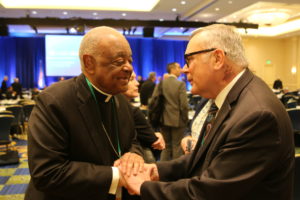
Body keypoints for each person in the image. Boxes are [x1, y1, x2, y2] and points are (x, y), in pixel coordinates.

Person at [122, 24, 295, 199]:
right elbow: (201, 158)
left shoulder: (257, 115)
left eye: (189, 59)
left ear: (218, 59)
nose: (184, 69)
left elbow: (209, 193)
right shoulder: (229, 99)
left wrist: (144, 186)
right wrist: (156, 170)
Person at [25, 26, 145, 200]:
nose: (129, 68)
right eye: (119, 61)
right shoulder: (54, 100)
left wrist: (134, 155)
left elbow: (132, 140)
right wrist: (118, 175)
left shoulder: (119, 100)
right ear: (89, 63)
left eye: (130, 61)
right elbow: (47, 172)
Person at [123, 71, 165, 163]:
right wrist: (155, 136)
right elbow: (153, 140)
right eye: (131, 79)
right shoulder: (132, 111)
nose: (137, 83)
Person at [152, 62, 188, 161]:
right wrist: (185, 119)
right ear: (172, 69)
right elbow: (184, 105)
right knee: (177, 146)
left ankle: (162, 170)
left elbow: (153, 100)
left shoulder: (161, 84)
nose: (180, 70)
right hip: (177, 120)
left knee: (166, 146)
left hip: (163, 120)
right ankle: (176, 172)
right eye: (179, 67)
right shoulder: (180, 84)